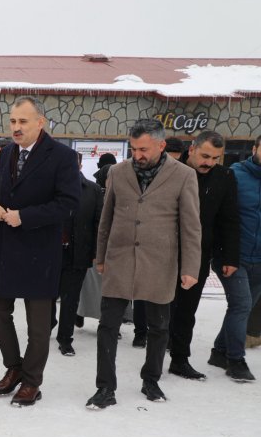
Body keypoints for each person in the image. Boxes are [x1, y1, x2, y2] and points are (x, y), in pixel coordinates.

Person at [86, 119, 201, 410]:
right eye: (134, 148)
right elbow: (106, 218)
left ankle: (151, 379)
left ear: (161, 145)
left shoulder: (184, 175)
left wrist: (190, 267)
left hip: (160, 262)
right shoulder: (117, 171)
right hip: (119, 258)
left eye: (144, 149)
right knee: (108, 325)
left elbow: (191, 226)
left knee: (159, 326)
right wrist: (100, 257)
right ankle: (105, 387)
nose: (138, 154)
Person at [0, 96, 80, 407]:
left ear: (40, 122)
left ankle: (31, 381)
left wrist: (25, 217)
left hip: (40, 254)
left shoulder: (62, 156)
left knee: (39, 327)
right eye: (13, 121)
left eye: (23, 121)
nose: (16, 127)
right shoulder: (7, 154)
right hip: (5, 251)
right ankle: (13, 368)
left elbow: (67, 203)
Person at [168, 131, 239, 380]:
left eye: (216, 158)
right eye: (205, 155)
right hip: (164, 251)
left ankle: (179, 359)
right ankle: (154, 356)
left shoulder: (224, 177)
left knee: (187, 309)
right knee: (161, 308)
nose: (209, 162)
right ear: (192, 150)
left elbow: (229, 220)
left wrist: (230, 257)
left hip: (197, 253)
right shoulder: (171, 171)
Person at [208, 134, 261, 382]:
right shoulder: (234, 174)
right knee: (241, 305)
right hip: (233, 256)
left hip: (260, 259)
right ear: (254, 148)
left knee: (244, 306)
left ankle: (219, 352)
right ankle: (235, 360)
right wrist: (221, 253)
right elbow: (221, 217)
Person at [53, 152, 103, 356]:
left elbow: (98, 223)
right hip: (51, 254)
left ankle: (65, 338)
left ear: (80, 166)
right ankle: (47, 323)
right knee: (46, 297)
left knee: (70, 299)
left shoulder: (93, 190)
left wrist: (96, 252)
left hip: (78, 254)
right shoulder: (49, 190)